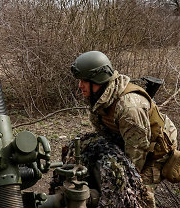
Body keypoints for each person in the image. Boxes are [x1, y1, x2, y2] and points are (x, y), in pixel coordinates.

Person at [70, 50, 178, 206]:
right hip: (130, 141)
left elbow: (137, 155)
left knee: (137, 195)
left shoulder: (128, 107)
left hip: (155, 153)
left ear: (98, 80)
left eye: (84, 81)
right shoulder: (100, 97)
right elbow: (103, 133)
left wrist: (124, 182)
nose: (80, 86)